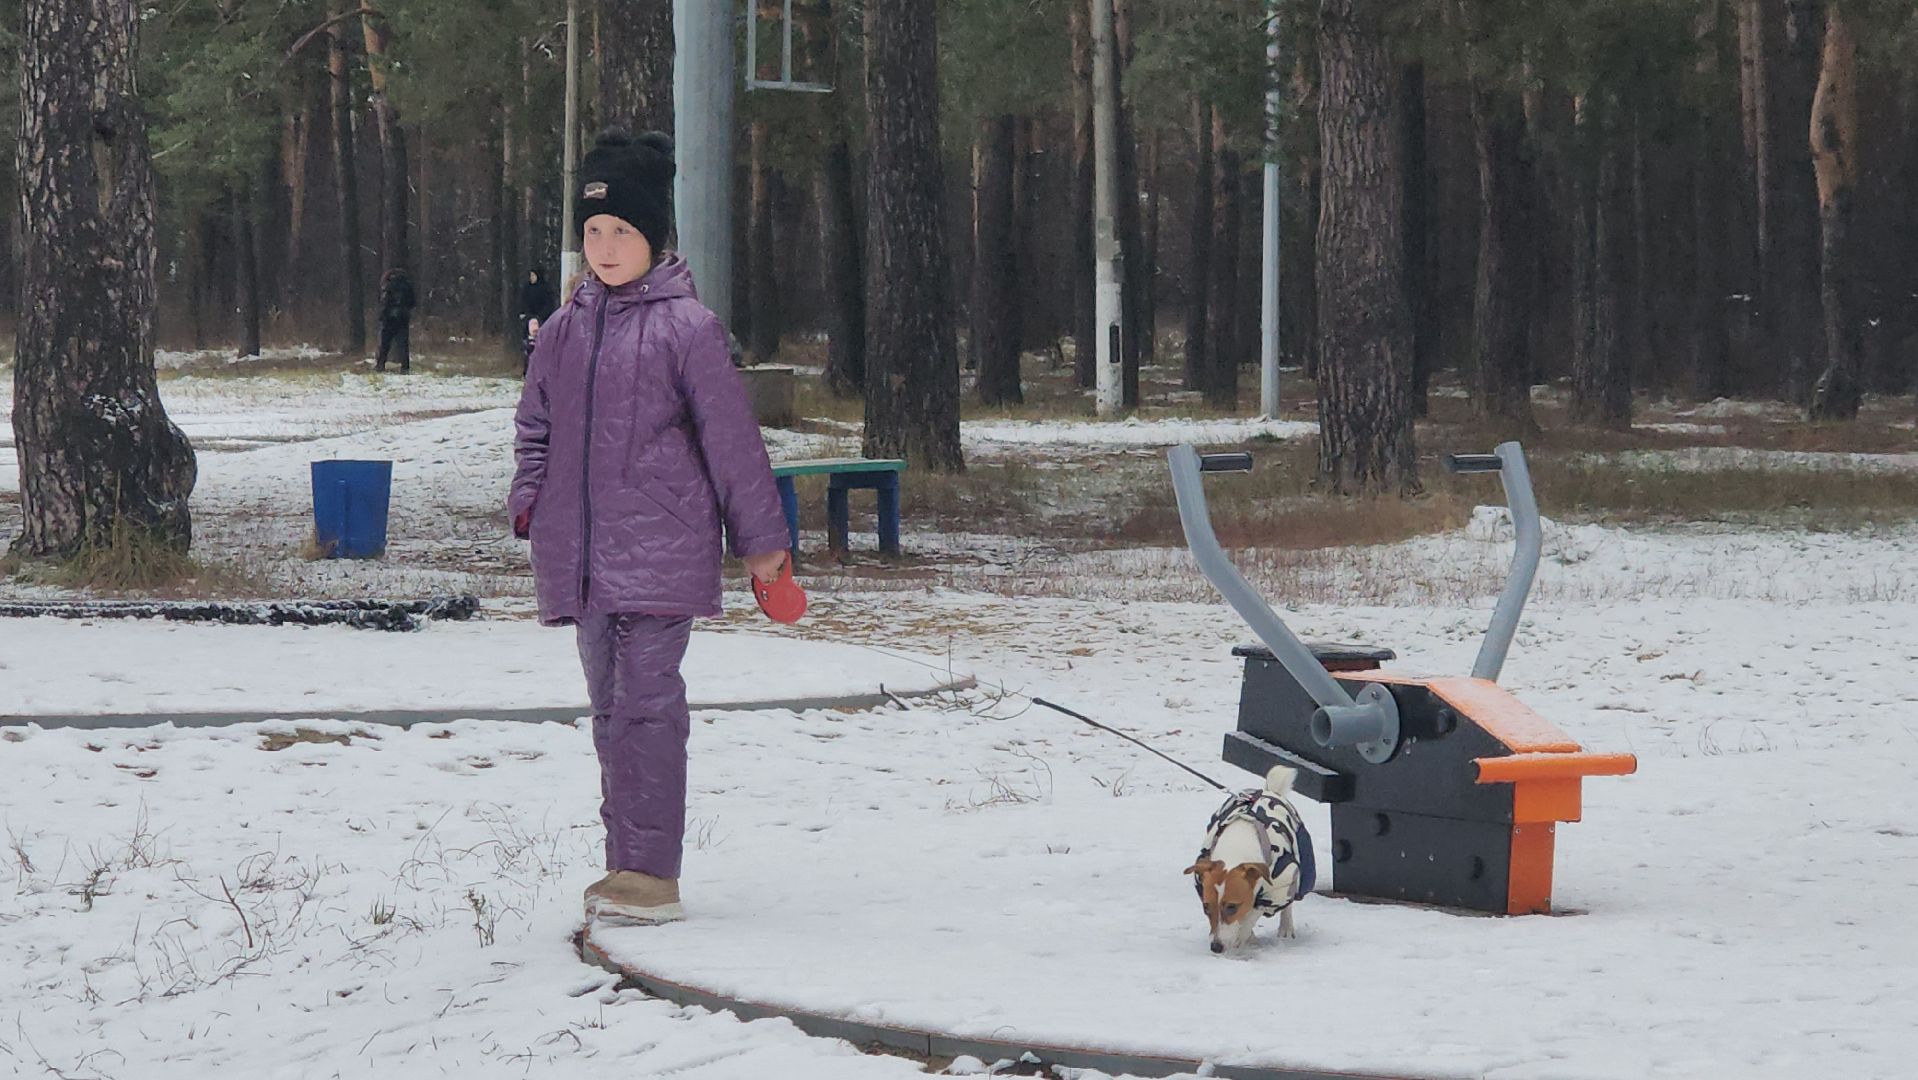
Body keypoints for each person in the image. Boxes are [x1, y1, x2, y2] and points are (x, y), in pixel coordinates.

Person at [507, 130, 791, 927]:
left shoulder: (687, 329)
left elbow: (732, 441)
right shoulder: (562, 330)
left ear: (652, 237)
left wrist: (763, 542)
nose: (604, 247)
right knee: (608, 707)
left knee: (648, 704)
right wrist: (530, 499)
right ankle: (624, 863)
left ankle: (652, 873)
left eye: (621, 232)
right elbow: (536, 426)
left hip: (663, 548)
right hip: (583, 556)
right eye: (592, 232)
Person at [374, 267, 417, 373]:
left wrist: (382, 315)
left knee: (384, 344)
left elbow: (384, 302)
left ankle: (380, 365)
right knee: (403, 344)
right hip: (403, 317)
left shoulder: (387, 286)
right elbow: (412, 302)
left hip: (388, 318)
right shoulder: (407, 286)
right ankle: (405, 367)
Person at [518, 269, 558, 377]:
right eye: (530, 275)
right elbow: (523, 303)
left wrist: (540, 316)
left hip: (542, 320)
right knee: (528, 346)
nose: (531, 278)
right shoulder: (527, 288)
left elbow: (549, 304)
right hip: (529, 320)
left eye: (533, 275)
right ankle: (527, 370)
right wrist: (527, 315)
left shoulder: (545, 289)